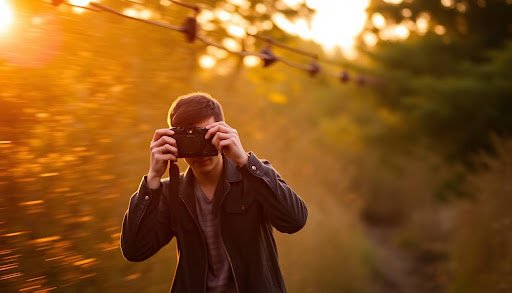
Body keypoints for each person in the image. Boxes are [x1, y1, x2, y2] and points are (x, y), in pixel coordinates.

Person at [120, 92, 308, 293]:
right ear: (173, 141)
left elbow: (294, 220)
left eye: (205, 137)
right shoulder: (170, 191)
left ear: (223, 132)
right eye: (189, 140)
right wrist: (153, 179)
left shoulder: (254, 178)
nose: (200, 150)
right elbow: (135, 251)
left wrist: (245, 161)